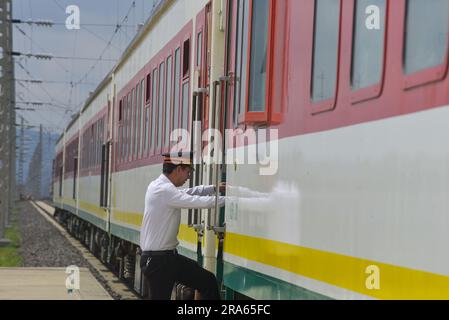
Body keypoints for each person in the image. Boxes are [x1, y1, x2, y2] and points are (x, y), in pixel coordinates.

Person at [140, 151, 225, 300]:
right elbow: (194, 201)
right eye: (188, 171)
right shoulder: (164, 190)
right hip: (159, 262)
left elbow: (188, 193)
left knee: (208, 281)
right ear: (179, 169)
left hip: (166, 259)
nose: (188, 177)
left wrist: (213, 188)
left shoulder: (159, 186)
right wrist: (231, 200)